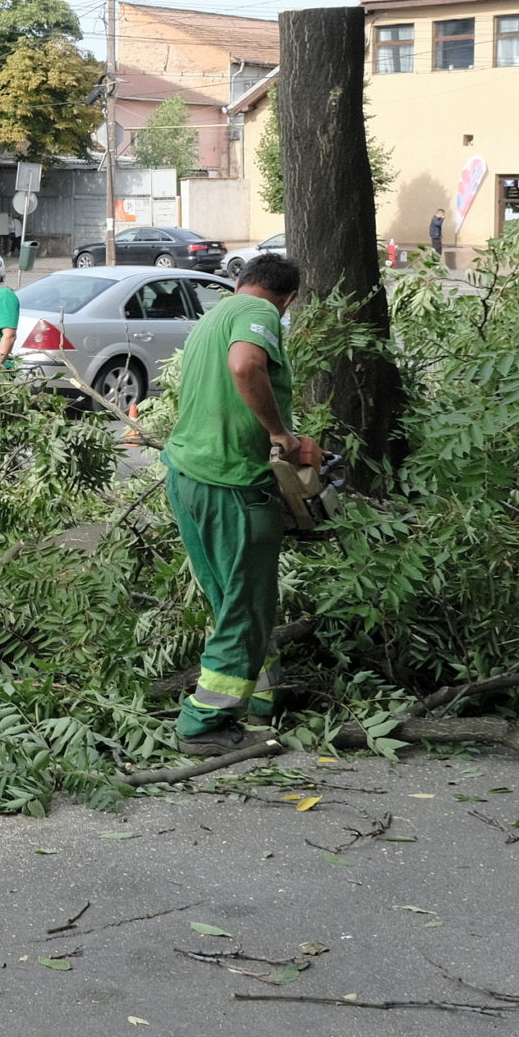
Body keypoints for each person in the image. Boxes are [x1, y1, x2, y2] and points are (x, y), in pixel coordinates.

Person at [161, 251, 319, 757]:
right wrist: (282, 434)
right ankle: (203, 723)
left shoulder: (213, 317)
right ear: (288, 297)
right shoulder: (261, 313)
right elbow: (245, 364)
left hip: (187, 477)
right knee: (245, 606)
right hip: (232, 484)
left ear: (241, 282)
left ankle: (262, 699)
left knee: (232, 601)